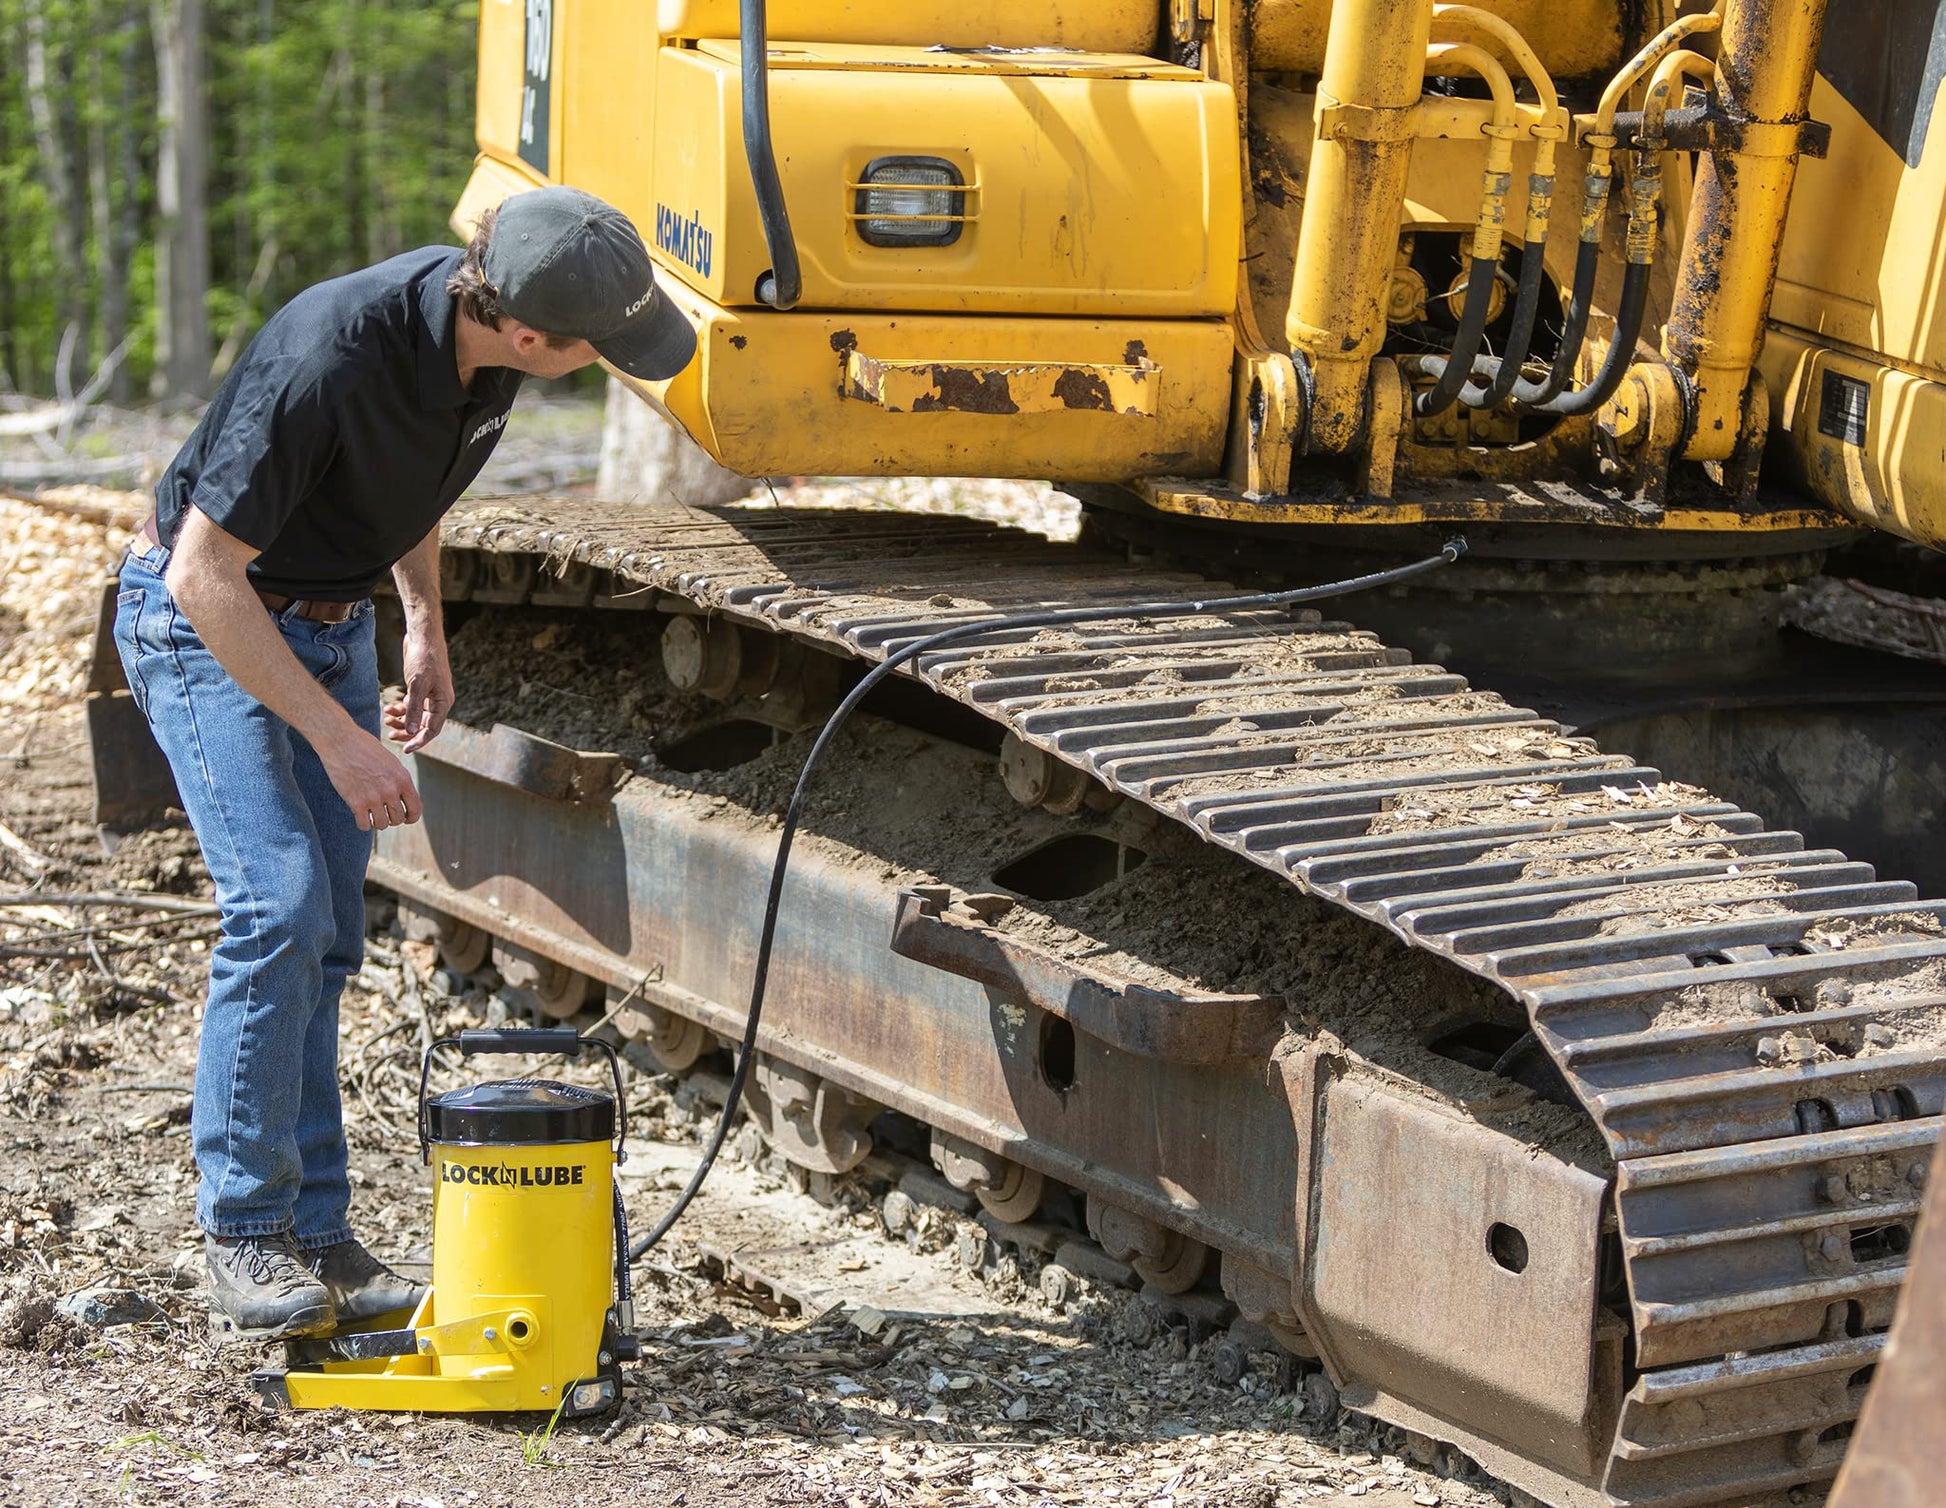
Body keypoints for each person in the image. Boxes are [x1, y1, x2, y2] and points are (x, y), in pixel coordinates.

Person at [113, 186, 696, 1339]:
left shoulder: (487, 342)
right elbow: (199, 577)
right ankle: (241, 1231)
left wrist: (420, 620)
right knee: (275, 904)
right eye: (601, 350)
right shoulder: (330, 355)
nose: (606, 362)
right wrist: (340, 738)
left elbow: (409, 485)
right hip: (211, 621)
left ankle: (318, 1237)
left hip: (326, 621)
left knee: (328, 926)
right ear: (529, 332)